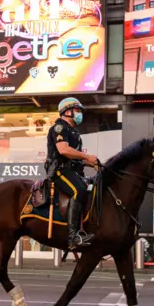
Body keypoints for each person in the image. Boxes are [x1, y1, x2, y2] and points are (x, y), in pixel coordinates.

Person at [45, 97, 98, 251]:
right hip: (59, 171)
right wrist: (87, 156)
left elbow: (76, 158)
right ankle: (72, 237)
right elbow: (64, 150)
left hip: (73, 171)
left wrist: (93, 163)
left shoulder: (74, 132)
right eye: (77, 110)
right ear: (67, 111)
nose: (80, 113)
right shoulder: (59, 128)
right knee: (78, 190)